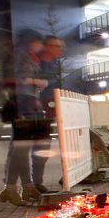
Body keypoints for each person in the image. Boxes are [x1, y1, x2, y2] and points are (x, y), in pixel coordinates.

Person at [0, 36, 47, 206]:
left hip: (24, 102)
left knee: (21, 148)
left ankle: (25, 187)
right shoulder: (21, 56)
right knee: (20, 148)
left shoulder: (27, 57)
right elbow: (22, 80)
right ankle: (13, 188)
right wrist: (38, 82)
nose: (41, 46)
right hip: (21, 104)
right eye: (39, 42)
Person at [31, 35, 65, 193]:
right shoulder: (38, 64)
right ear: (47, 46)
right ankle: (36, 182)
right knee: (42, 145)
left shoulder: (55, 65)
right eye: (56, 46)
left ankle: (68, 174)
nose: (59, 49)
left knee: (66, 141)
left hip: (55, 106)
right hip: (41, 109)